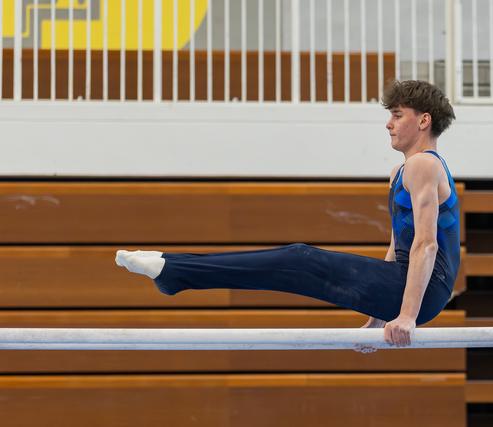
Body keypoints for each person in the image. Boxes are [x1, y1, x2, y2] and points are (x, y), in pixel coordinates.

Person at [115, 79, 460, 351]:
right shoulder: (400, 172)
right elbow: (398, 247)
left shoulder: (423, 166)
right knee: (294, 268)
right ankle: (177, 274)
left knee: (300, 259)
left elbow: (426, 246)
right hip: (406, 284)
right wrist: (376, 322)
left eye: (397, 115)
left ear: (424, 120)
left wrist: (407, 316)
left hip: (426, 288)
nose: (388, 124)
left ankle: (176, 274)